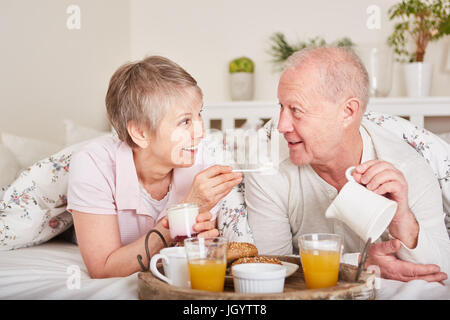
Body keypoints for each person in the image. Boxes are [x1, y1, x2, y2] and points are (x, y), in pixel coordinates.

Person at [245, 46, 450, 283]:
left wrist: (402, 219)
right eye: (281, 107)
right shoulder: (267, 166)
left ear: (348, 112)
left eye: (296, 110)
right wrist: (360, 266)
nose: (281, 126)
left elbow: (443, 275)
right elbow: (270, 272)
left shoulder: (405, 167)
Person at [67, 56, 243, 278]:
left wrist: (196, 240)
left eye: (199, 114)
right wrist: (184, 214)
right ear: (140, 133)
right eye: (185, 121)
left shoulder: (203, 162)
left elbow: (188, 249)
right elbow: (103, 269)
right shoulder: (92, 164)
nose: (201, 132)